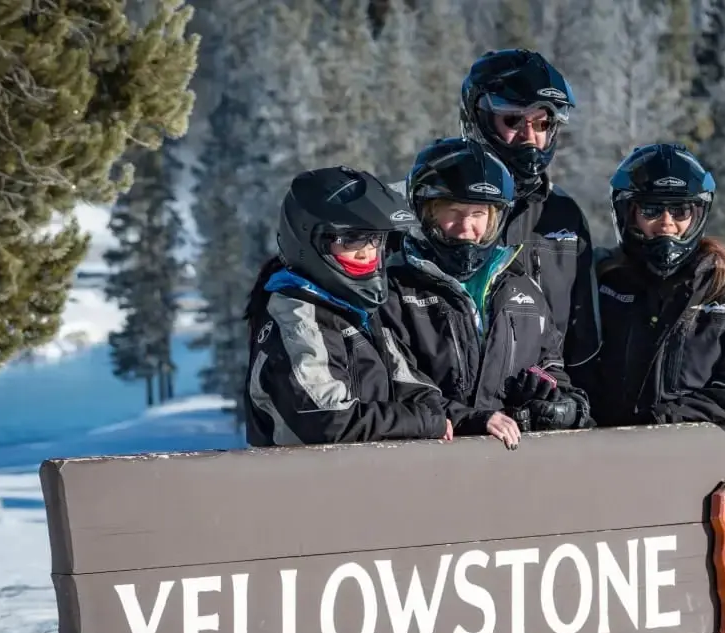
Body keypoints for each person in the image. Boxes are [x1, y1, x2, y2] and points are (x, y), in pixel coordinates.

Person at [381, 136, 593, 450]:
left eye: (479, 214)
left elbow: (551, 366)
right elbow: (398, 385)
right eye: (452, 211)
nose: (466, 227)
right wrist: (472, 418)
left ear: (496, 218)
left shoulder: (521, 290)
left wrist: (564, 406)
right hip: (427, 461)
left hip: (510, 463)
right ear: (425, 214)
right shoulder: (395, 290)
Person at [567, 144, 725, 430]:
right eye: (651, 209)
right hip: (600, 451)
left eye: (680, 210)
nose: (667, 223)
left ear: (698, 214)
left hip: (694, 457)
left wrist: (666, 421)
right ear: (628, 213)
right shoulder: (597, 279)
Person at [244, 166, 453, 447]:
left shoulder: (358, 312)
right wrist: (423, 422)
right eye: (353, 239)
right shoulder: (297, 316)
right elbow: (325, 418)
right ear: (313, 242)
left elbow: (414, 387)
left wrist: (465, 418)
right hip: (302, 484)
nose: (367, 251)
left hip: (362, 478)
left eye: (375, 239)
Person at [457, 49, 598, 367]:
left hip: (550, 399)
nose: (529, 137)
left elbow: (584, 339)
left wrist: (575, 404)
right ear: (476, 117)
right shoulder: (436, 206)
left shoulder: (563, 215)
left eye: (542, 123)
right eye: (513, 120)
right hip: (464, 407)